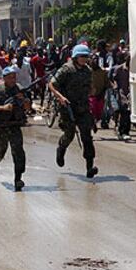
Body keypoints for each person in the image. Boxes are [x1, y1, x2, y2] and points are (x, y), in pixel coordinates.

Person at [48, 44, 98, 178]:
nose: (84, 59)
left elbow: (90, 86)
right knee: (69, 135)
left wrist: (91, 91)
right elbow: (52, 84)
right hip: (68, 108)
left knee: (87, 137)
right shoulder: (66, 69)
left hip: (83, 108)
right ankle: (61, 148)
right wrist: (61, 97)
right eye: (82, 56)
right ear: (76, 57)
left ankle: (89, 167)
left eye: (86, 56)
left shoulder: (87, 70)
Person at [0, 66, 31, 191]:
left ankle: (18, 179)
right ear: (4, 78)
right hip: (0, 126)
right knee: (0, 152)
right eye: (10, 78)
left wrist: (24, 100)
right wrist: (3, 108)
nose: (12, 80)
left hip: (14, 125)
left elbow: (28, 107)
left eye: (14, 77)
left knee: (18, 152)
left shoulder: (19, 89)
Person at [112, 54, 131, 140]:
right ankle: (121, 131)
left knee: (128, 113)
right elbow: (113, 79)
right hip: (121, 93)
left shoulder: (134, 70)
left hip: (131, 93)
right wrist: (115, 87)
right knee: (124, 111)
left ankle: (125, 131)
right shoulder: (119, 69)